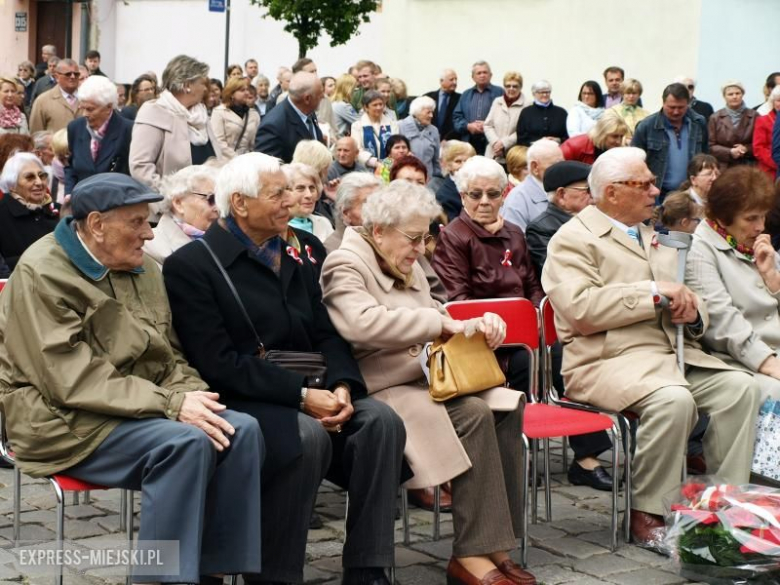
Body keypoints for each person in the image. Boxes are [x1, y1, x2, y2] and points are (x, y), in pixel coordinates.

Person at [0, 171, 263, 583]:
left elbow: (169, 356)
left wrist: (192, 395)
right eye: (137, 223)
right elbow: (68, 379)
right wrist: (172, 405)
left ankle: (213, 570)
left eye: (150, 221)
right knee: (185, 443)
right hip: (60, 419)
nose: (149, 235)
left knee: (239, 429)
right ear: (97, 225)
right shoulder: (42, 272)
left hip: (132, 409)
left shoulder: (145, 270)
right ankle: (163, 578)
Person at [163, 152, 405, 585]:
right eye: (278, 194)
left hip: (312, 388)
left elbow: (327, 333)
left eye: (291, 192)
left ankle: (368, 568)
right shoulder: (193, 266)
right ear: (239, 203)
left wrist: (344, 386)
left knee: (380, 421)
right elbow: (216, 363)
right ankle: (276, 575)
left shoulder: (295, 254)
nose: (291, 203)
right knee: (305, 435)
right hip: (243, 398)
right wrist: (299, 396)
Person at [542, 146, 760, 546]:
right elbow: (579, 309)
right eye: (643, 184)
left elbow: (696, 303)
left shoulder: (653, 235)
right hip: (606, 361)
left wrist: (692, 314)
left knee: (740, 390)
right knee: (674, 400)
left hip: (671, 356)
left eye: (652, 183)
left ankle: (723, 505)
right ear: (612, 192)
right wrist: (653, 293)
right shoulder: (572, 239)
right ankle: (647, 512)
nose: (655, 191)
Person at [321, 180, 536, 585]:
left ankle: (495, 545)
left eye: (426, 238)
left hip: (427, 378)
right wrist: (440, 323)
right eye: (415, 238)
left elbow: (439, 310)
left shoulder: (405, 257)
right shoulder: (345, 262)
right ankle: (471, 554)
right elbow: (361, 324)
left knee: (507, 404)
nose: (422, 249)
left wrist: (479, 323)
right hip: (383, 386)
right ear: (380, 230)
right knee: (474, 412)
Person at [434, 156, 614, 490]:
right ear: (463, 197)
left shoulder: (514, 233)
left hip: (525, 337)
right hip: (481, 341)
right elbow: (456, 298)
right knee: (526, 363)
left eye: (493, 193)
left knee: (571, 356)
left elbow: (534, 285)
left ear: (505, 195)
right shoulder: (455, 238)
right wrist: (506, 325)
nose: (485, 201)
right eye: (476, 194)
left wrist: (533, 322)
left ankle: (586, 459)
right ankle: (513, 455)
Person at [685, 166, 780, 401]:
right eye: (751, 218)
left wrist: (773, 281)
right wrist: (768, 362)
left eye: (763, 215)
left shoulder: (758, 244)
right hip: (738, 361)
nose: (760, 226)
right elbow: (722, 321)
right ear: (723, 216)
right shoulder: (699, 249)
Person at [130, 54, 223, 190]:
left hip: (209, 204)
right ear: (187, 86)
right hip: (173, 207)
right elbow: (141, 168)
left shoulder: (200, 114)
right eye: (202, 83)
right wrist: (169, 199)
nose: (205, 89)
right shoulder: (153, 112)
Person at [631, 83, 709, 200]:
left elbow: (705, 155)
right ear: (663, 103)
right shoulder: (647, 126)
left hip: (691, 194)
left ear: (688, 104)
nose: (676, 112)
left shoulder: (699, 123)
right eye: (671, 107)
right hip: (657, 194)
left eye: (681, 107)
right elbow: (634, 162)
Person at [64, 75, 133, 194]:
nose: (85, 114)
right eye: (82, 108)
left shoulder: (129, 130)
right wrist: (69, 194)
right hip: (82, 203)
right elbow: (71, 168)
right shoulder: (75, 128)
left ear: (109, 107)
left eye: (90, 109)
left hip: (115, 204)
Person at [525, 160, 593, 277]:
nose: (593, 195)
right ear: (561, 195)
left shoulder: (595, 218)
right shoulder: (541, 229)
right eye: (587, 189)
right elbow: (558, 272)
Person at [143, 164, 219, 265]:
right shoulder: (151, 245)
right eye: (211, 198)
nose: (218, 208)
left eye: (220, 199)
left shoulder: (224, 238)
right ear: (178, 203)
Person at [0, 152, 59, 271]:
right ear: (12, 185)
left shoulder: (59, 210)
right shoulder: (2, 215)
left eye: (42, 176)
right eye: (30, 177)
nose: (39, 182)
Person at [254, 71, 324, 163]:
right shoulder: (273, 125)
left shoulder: (309, 111)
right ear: (307, 99)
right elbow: (267, 170)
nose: (323, 96)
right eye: (319, 94)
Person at [502, 138, 564, 231]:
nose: (563, 169)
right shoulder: (517, 199)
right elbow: (515, 241)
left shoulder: (567, 189)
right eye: (556, 164)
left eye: (563, 163)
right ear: (535, 167)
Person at [452, 61, 503, 155]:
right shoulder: (465, 95)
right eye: (479, 73)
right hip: (470, 141)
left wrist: (487, 124)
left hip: (492, 142)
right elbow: (456, 117)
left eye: (485, 72)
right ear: (473, 77)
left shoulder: (500, 93)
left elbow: (506, 118)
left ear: (490, 75)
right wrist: (468, 126)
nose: (482, 75)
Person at [325, 172, 382, 253]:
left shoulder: (386, 238)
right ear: (346, 214)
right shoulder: (336, 250)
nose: (377, 210)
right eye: (367, 204)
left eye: (379, 202)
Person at [708, 81, 756, 171]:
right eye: (730, 94)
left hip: (748, 166)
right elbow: (710, 146)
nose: (734, 97)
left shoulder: (754, 116)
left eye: (738, 93)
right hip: (723, 167)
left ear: (742, 95)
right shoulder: (715, 117)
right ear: (724, 97)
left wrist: (746, 148)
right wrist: (730, 151)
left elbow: (760, 143)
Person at [210, 77, 261, 159]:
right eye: (242, 90)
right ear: (231, 93)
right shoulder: (219, 112)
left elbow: (256, 141)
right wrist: (237, 159)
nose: (247, 93)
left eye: (247, 89)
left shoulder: (253, 114)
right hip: (226, 162)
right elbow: (218, 142)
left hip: (249, 162)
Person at [284, 162, 335, 243]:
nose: (309, 195)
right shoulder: (278, 228)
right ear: (285, 192)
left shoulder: (323, 223)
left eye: (312, 188)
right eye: (300, 188)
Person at [484, 72, 527, 165]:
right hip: (493, 153)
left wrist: (504, 144)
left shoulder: (527, 104)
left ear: (520, 87)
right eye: (508, 86)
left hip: (513, 155)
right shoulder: (497, 101)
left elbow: (523, 130)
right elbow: (488, 125)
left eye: (515, 86)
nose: (511, 89)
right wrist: (495, 143)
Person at [29, 58, 80, 134]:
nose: (72, 77)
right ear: (57, 77)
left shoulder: (87, 99)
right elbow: (36, 134)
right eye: (68, 74)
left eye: (76, 74)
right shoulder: (42, 101)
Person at [351, 90, 399, 171]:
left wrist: (385, 166)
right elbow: (357, 150)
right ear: (366, 107)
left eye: (381, 104)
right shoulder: (357, 126)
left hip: (389, 168)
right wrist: (376, 163)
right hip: (366, 168)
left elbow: (395, 147)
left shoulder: (392, 124)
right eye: (375, 105)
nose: (379, 107)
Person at [560, 110, 628, 165]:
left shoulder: (619, 151)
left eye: (621, 136)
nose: (619, 141)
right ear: (602, 134)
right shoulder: (573, 146)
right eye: (614, 136)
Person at [397, 95, 441, 179]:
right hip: (405, 176)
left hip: (427, 179)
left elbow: (437, 160)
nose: (431, 115)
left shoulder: (434, 130)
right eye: (428, 112)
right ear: (417, 112)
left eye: (432, 112)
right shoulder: (400, 126)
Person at [515, 80, 568, 146]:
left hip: (556, 151)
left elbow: (568, 137)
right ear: (534, 94)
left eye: (547, 92)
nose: (545, 95)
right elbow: (520, 139)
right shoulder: (526, 113)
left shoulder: (561, 113)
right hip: (531, 152)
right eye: (541, 92)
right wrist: (537, 142)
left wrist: (559, 140)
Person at [436, 140, 476, 222]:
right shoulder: (444, 194)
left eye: (467, 161)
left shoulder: (479, 183)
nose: (464, 165)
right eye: (458, 161)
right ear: (448, 165)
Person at [425, 68, 461, 141]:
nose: (455, 82)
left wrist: (447, 139)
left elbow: (459, 122)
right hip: (429, 139)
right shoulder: (428, 97)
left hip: (451, 141)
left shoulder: (460, 99)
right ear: (441, 81)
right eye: (451, 80)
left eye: (456, 79)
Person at [610, 78, 649, 143]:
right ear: (622, 94)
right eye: (628, 93)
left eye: (634, 93)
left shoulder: (646, 114)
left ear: (639, 95)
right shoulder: (612, 111)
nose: (631, 96)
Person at [754, 85, 780, 178]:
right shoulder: (763, 120)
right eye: (778, 101)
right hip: (769, 171)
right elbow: (758, 148)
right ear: (772, 102)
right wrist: (776, 163)